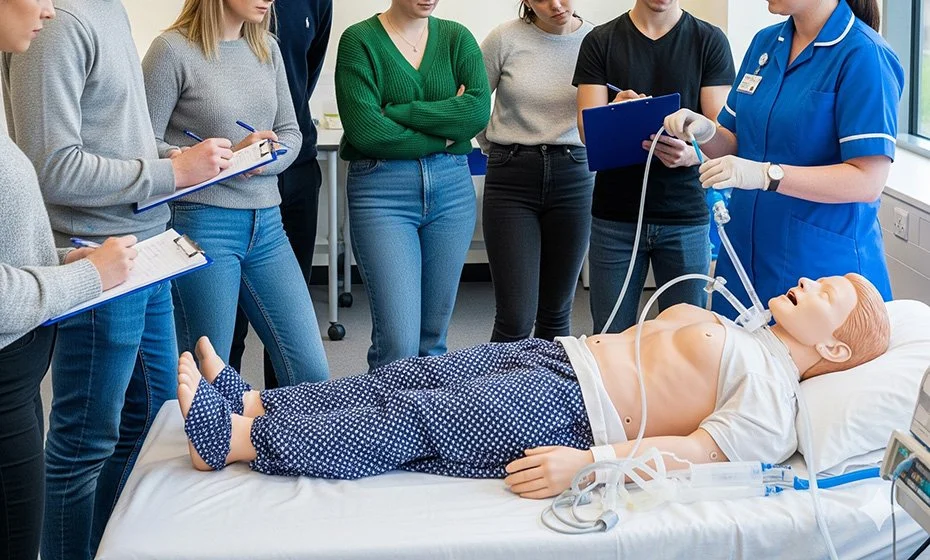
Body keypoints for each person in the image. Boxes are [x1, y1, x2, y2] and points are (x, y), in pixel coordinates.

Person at [174, 272, 889, 499]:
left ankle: (236, 441)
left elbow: (698, 455)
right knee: (408, 374)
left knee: (416, 415)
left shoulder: (774, 398)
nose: (806, 282)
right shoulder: (751, 334)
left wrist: (590, 467)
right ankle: (259, 400)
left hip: (573, 410)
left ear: (831, 344)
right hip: (557, 357)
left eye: (826, 290)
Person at [3, 0, 232, 555]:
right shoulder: (59, 25)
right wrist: (173, 171)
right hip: (95, 257)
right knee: (86, 443)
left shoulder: (109, 10)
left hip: (144, 251)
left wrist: (182, 158)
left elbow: (114, 140)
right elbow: (52, 165)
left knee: (149, 424)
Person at [0, 2, 143, 557]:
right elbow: (57, 165)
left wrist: (60, 263)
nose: (46, 7)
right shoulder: (62, 33)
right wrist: (85, 280)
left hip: (22, 357)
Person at [663, 0, 902, 320]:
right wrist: (705, 132)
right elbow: (735, 143)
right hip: (746, 259)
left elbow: (867, 180)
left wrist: (767, 175)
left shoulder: (864, 54)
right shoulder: (766, 44)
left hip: (820, 277)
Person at [142, 0, 330, 388]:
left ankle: (277, 448)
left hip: (268, 225)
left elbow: (291, 132)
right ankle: (215, 448)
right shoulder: (172, 50)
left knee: (311, 373)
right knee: (211, 377)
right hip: (202, 223)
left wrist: (260, 160)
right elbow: (143, 144)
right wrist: (192, 157)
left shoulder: (268, 47)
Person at [335, 0, 491, 370]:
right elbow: (367, 131)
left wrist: (399, 112)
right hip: (383, 191)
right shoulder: (359, 41)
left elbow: (475, 112)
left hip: (452, 189)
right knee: (399, 343)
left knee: (432, 340)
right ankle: (387, 426)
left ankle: (422, 426)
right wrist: (444, 134)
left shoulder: (457, 38)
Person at [573, 0, 735, 333]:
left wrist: (691, 155)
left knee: (687, 339)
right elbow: (587, 132)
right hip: (615, 217)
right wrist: (614, 113)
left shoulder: (709, 40)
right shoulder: (600, 41)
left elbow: (721, 134)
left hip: (684, 215)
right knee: (610, 337)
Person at [229, 0, 333, 390]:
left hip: (296, 168)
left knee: (289, 326)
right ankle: (223, 423)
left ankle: (283, 429)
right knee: (228, 329)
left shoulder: (316, 2)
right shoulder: (177, 48)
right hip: (233, 187)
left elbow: (304, 72)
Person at [477, 0, 594, 343]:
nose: (556, 5)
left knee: (557, 315)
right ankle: (500, 397)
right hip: (512, 177)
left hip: (573, 174)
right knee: (514, 317)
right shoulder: (504, 39)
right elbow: (472, 101)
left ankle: (544, 396)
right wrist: (495, 148)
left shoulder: (596, 41)